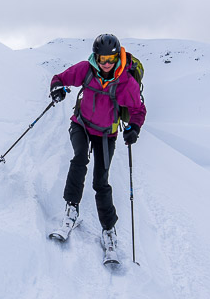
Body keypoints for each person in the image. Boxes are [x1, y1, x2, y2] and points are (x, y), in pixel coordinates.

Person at [49, 33, 146, 257]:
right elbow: (60, 78)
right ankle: (71, 210)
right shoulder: (86, 69)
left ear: (117, 58)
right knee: (79, 159)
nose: (106, 64)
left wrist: (134, 128)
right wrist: (57, 88)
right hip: (81, 125)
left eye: (110, 59)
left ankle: (109, 229)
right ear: (96, 57)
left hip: (106, 134)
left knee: (101, 181)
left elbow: (138, 110)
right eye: (102, 59)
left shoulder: (126, 82)